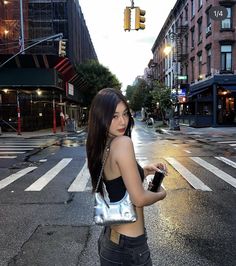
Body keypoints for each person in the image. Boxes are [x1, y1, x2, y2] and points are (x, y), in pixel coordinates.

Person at [86, 88, 167, 265]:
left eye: (125, 114)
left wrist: (144, 170)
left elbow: (117, 179)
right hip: (129, 248)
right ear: (101, 117)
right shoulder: (122, 143)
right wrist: (162, 194)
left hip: (112, 241)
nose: (122, 121)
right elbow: (139, 198)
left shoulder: (103, 144)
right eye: (114, 116)